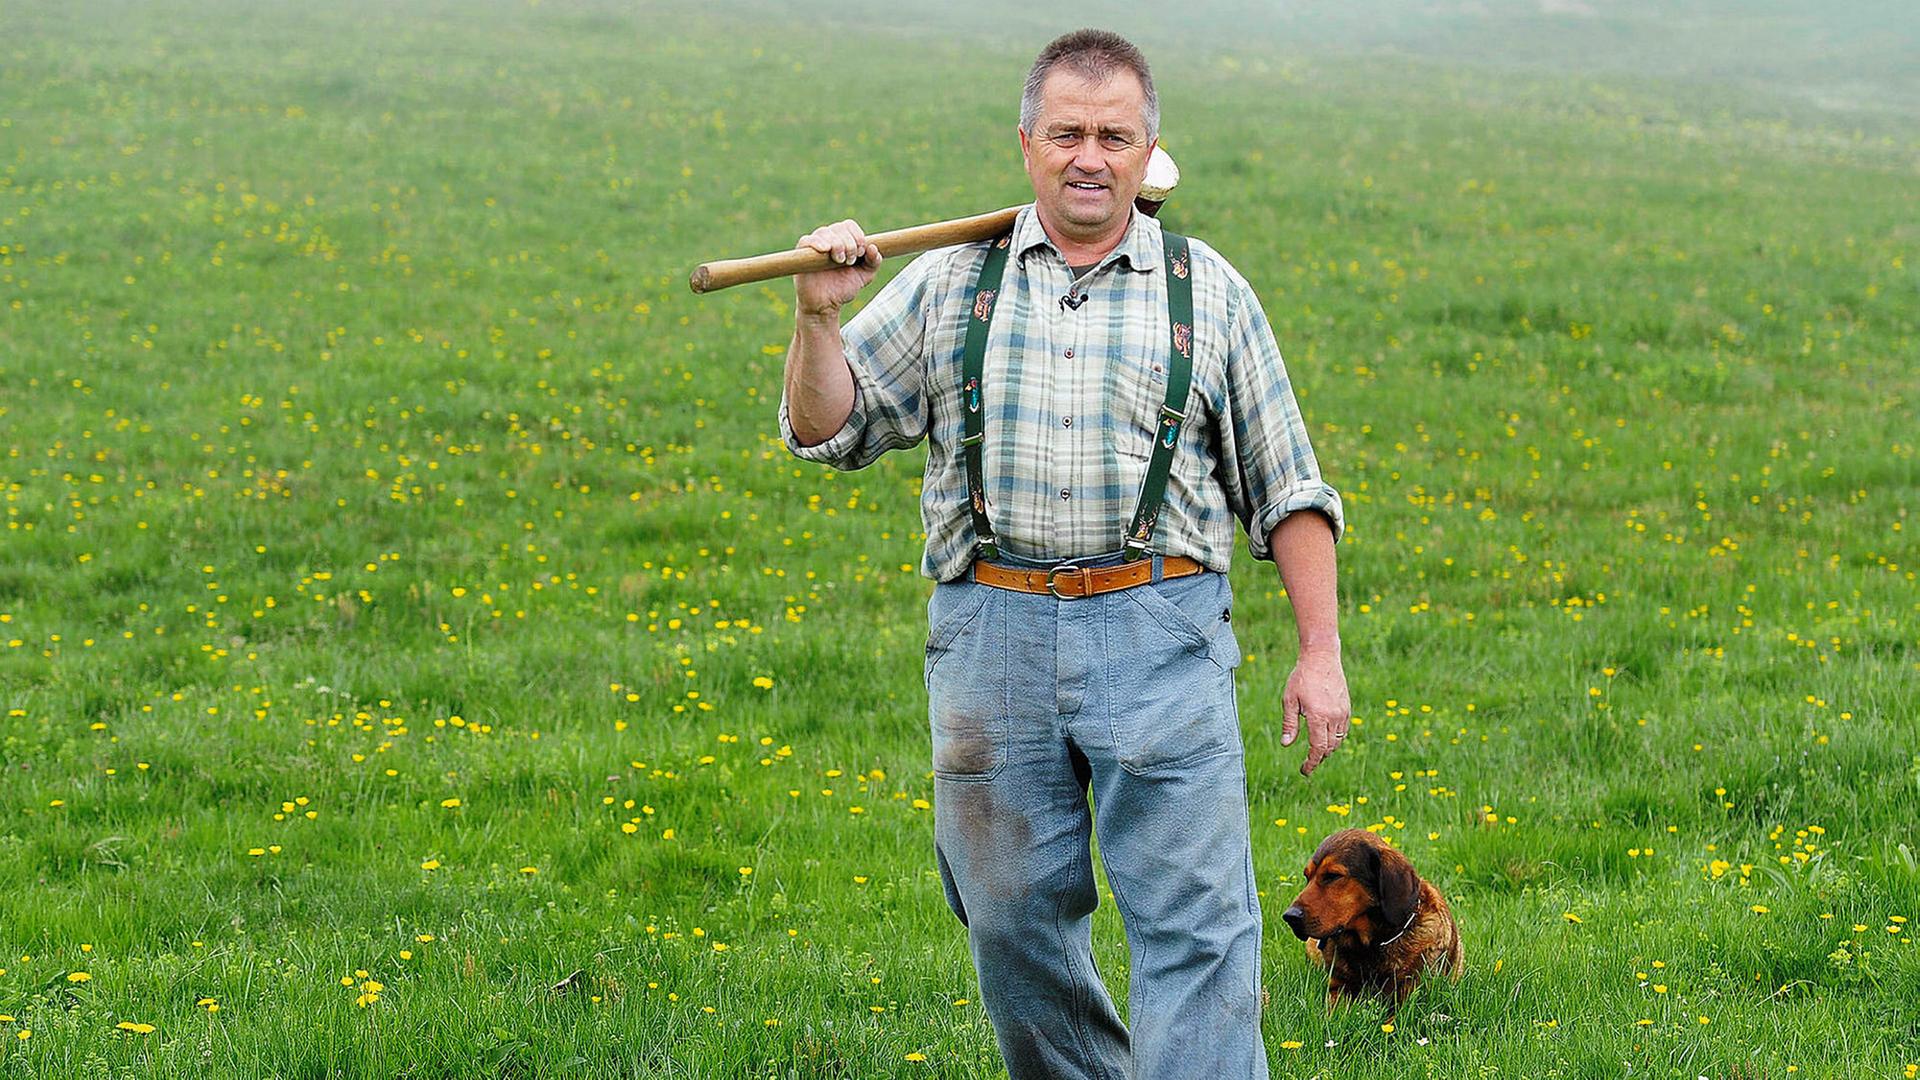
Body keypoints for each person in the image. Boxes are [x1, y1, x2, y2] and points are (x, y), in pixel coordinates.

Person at [778, 28, 1350, 1080]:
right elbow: (831, 431)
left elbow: (1290, 487)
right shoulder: (955, 282)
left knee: (1200, 929)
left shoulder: (1207, 291)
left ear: (1148, 152)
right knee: (1009, 925)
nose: (1091, 156)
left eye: (1114, 137)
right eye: (1069, 133)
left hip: (1164, 629)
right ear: (1029, 143)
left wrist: (1320, 651)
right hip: (992, 639)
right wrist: (819, 322)